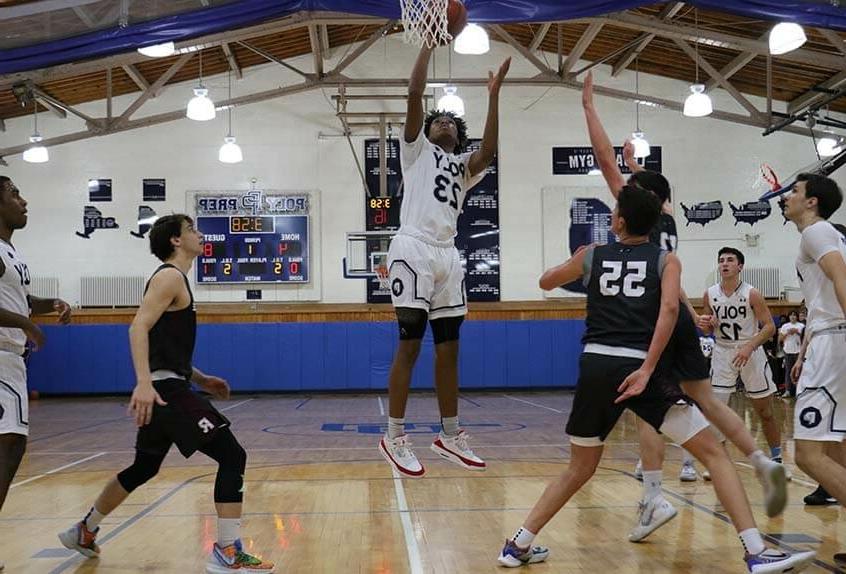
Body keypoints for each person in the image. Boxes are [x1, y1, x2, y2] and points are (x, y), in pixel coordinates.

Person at [497, 185, 815, 573]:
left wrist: (577, 259)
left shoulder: (593, 255)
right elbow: (668, 309)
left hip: (594, 364)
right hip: (635, 365)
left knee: (579, 467)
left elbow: (546, 282)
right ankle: (755, 551)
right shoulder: (666, 259)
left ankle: (517, 544)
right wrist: (648, 368)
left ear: (617, 221)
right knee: (714, 454)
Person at [581, 72, 787, 543]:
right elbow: (640, 181)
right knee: (709, 399)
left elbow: (603, 161)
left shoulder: (639, 216)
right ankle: (760, 460)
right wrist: (637, 161)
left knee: (647, 409)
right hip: (678, 321)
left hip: (650, 325)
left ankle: (652, 496)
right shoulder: (669, 218)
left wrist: (590, 110)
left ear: (641, 198)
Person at [57, 215, 273, 573]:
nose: (200, 235)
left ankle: (85, 529)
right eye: (192, 230)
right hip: (165, 391)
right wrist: (143, 382)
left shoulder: (175, 280)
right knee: (233, 456)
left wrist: (200, 378)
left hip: (170, 384)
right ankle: (227, 551)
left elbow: (161, 343)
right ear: (176, 240)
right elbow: (138, 326)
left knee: (144, 467)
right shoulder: (170, 276)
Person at [377, 41, 511, 477]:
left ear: (458, 135)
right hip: (413, 246)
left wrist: (493, 96)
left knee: (450, 349)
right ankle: (394, 434)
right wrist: (429, 47)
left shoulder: (462, 167)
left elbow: (488, 151)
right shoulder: (415, 152)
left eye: (452, 121)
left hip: (447, 255)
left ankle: (449, 433)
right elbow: (416, 93)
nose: (444, 122)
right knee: (410, 343)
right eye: (439, 120)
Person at [0, 176, 72, 572]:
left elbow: (20, 300)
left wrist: (48, 303)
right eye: (14, 194)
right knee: (10, 444)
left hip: (12, 359)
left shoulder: (11, 252)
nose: (23, 201)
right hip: (1, 356)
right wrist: (26, 325)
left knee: (10, 446)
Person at [782, 174, 846, 566]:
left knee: (807, 453)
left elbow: (841, 278)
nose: (787, 196)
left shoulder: (817, 232)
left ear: (812, 202)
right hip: (829, 340)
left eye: (796, 191)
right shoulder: (828, 234)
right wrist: (804, 350)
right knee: (839, 451)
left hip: (835, 343)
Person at [698, 248, 784, 471]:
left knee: (765, 411)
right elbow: (707, 327)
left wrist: (749, 346)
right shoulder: (710, 293)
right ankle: (719, 462)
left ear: (740, 267)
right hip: (723, 353)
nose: (724, 264)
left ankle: (777, 459)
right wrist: (707, 325)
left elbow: (770, 327)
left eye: (729, 260)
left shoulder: (752, 293)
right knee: (717, 412)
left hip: (751, 352)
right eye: (721, 260)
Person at [778, 310, 804, 397]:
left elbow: (805, 338)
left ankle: (799, 390)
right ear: (789, 317)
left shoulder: (801, 326)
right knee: (788, 371)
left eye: (794, 315)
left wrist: (797, 332)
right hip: (788, 351)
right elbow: (780, 339)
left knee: (799, 372)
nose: (793, 317)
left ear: (797, 317)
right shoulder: (785, 326)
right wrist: (788, 333)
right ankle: (788, 390)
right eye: (791, 315)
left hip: (799, 351)